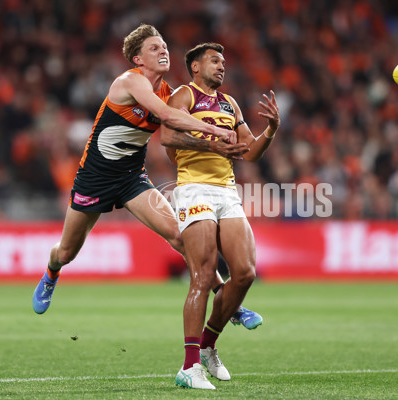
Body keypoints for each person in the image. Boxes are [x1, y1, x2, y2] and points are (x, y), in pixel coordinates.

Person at [31, 25, 262, 331]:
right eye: (154, 48)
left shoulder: (170, 92)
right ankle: (51, 272)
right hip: (94, 178)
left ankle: (227, 299)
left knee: (180, 236)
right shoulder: (130, 81)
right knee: (67, 251)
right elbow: (166, 117)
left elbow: (171, 134)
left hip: (132, 179)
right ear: (138, 59)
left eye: (164, 46)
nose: (163, 51)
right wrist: (216, 130)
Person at [161, 42, 280, 390]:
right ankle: (189, 365)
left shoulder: (229, 104)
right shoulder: (185, 95)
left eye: (223, 61)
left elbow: (251, 152)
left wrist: (270, 130)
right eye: (214, 60)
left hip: (227, 192)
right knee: (202, 274)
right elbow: (167, 136)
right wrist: (210, 144)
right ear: (195, 67)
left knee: (244, 273)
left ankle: (210, 343)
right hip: (194, 187)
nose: (221, 66)